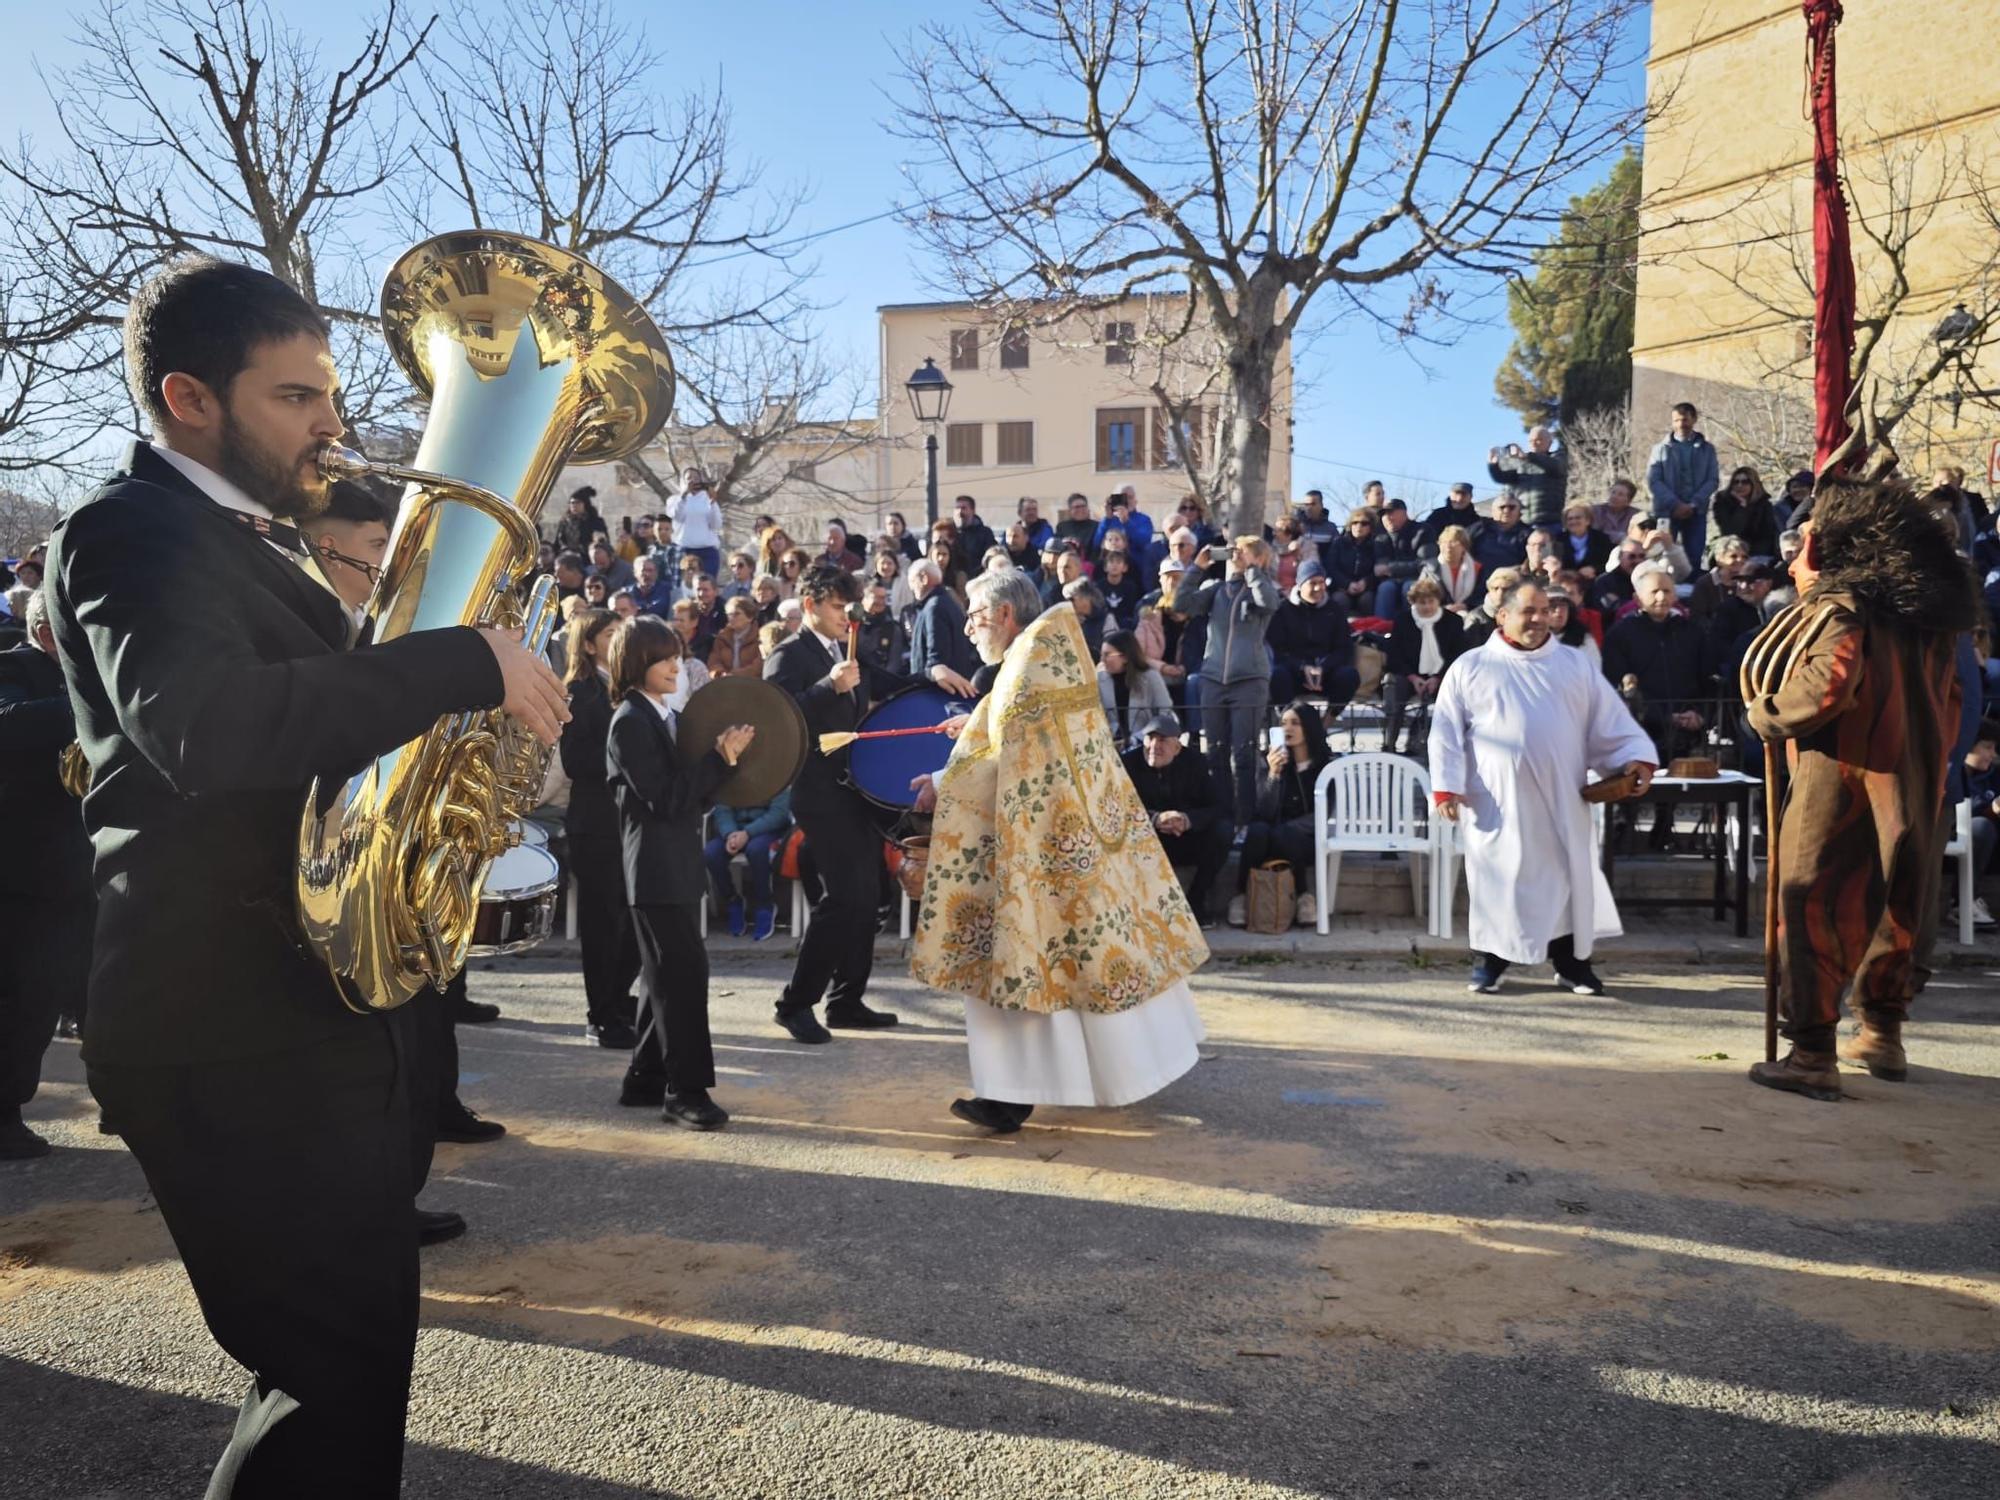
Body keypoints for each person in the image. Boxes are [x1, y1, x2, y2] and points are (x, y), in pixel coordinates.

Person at [46, 256, 569, 1495]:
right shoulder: (125, 531)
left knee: (349, 1373)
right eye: (294, 397)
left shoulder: (255, 544)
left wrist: (477, 739)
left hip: (312, 1016)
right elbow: (209, 730)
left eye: (326, 393)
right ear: (188, 398)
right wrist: (457, 662)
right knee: (324, 1381)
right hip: (223, 1028)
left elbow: (335, 753)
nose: (333, 424)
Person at [910, 568, 1208, 1134]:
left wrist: (940, 781)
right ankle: (1117, 1072)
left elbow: (1004, 757)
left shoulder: (1026, 669)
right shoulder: (1041, 657)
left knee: (1026, 969)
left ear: (1003, 614)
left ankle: (1010, 1095)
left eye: (974, 617)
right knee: (1085, 967)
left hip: (1038, 856)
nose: (969, 630)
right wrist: (975, 722)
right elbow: (1008, 736)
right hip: (1059, 845)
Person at [1744, 481, 1977, 1102]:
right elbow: (1952, 704)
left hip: (1843, 782)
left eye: (1805, 544)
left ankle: (1812, 1055)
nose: (1795, 558)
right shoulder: (1929, 620)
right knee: (1902, 906)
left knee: (1817, 900)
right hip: (1917, 780)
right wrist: (1924, 754)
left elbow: (1828, 687)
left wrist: (1765, 715)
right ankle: (1882, 1033)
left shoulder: (1843, 605)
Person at [1431, 578, 1658, 996]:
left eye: (1544, 611)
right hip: (1495, 803)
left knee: (1566, 882)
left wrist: (1634, 757)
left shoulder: (1574, 665)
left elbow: (1609, 722)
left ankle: (1572, 965)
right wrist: (1447, 787)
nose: (1538, 619)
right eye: (1527, 611)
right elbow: (1444, 732)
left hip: (1563, 798)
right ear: (1502, 616)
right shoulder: (1472, 666)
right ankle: (1490, 963)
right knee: (1498, 882)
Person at [606, 616, 752, 1129]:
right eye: (664, 657)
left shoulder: (660, 715)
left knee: (663, 977)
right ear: (636, 662)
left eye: (677, 655)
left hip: (674, 866)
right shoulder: (629, 720)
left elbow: (692, 793)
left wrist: (723, 759)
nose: (676, 665)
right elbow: (666, 799)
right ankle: (685, 1091)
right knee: (682, 978)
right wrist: (717, 760)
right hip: (654, 871)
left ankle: (644, 1078)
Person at [764, 563, 899, 1043]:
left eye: (848, 606)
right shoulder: (788, 655)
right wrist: (827, 688)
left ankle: (846, 1000)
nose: (848, 616)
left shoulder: (846, 649)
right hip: (818, 795)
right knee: (843, 898)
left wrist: (936, 675)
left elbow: (883, 681)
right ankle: (795, 1003)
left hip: (853, 790)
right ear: (810, 606)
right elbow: (776, 719)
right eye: (838, 607)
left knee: (869, 898)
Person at [0, 587, 94, 1159]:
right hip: (29, 875)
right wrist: (87, 700)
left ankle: (128, 1103)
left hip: (93, 870)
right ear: (46, 632)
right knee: (24, 1000)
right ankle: (3, 1117)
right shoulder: (13, 667)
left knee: (106, 999)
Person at [559, 607, 641, 1050]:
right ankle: (601, 1013)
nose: (619, 638)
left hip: (629, 820)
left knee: (632, 918)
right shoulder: (579, 691)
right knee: (602, 923)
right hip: (595, 823)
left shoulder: (629, 686)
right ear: (589, 644)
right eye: (610, 633)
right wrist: (624, 760)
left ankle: (618, 996)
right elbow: (574, 762)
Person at [1174, 536, 1282, 824]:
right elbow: (1181, 604)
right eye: (1233, 552)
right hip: (1213, 680)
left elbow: (1268, 603)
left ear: (1258, 559)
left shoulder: (1262, 587)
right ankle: (1223, 818)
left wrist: (1251, 570)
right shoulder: (1216, 590)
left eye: (1242, 552)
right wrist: (1196, 569)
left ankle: (1244, 821)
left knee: (1244, 755)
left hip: (1249, 680)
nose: (1235, 556)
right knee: (1216, 753)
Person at [1228, 700, 1334, 929]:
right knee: (1257, 831)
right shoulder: (1271, 762)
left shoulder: (1324, 767)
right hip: (1269, 836)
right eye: (1284, 723)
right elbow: (1263, 810)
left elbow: (1320, 816)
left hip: (1303, 839)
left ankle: (1305, 896)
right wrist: (1274, 775)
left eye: (1295, 723)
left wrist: (1285, 830)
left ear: (1309, 727)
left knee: (1287, 834)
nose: (1288, 729)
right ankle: (1241, 896)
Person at [1119, 713, 1231, 927]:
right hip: (1148, 839)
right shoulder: (1128, 763)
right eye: (1150, 739)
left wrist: (1187, 820)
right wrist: (1154, 819)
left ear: (1177, 747)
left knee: (1223, 831)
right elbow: (1118, 806)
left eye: (1162, 740)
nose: (1154, 746)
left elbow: (1217, 807)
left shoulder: (1195, 762)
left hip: (1185, 837)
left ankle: (1196, 901)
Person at [1381, 577, 1467, 756]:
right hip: (1410, 674)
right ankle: (1390, 742)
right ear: (1414, 602)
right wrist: (1413, 677)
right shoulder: (1403, 620)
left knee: (1453, 690)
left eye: (1431, 601)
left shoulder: (1453, 622)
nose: (1427, 607)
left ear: (1438, 601)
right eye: (1422, 602)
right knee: (1395, 685)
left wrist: (1438, 677)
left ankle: (1432, 742)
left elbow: (1458, 655)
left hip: (1442, 675)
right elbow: (1395, 655)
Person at [1268, 558, 1361, 710]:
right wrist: (1301, 667)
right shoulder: (1283, 610)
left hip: (1325, 672)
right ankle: (1286, 723)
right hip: (1294, 672)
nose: (1318, 588)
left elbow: (1343, 648)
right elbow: (1276, 649)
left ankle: (1325, 724)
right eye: (1312, 583)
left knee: (1349, 675)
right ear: (1300, 585)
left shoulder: (1334, 610)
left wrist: (1323, 667)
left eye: (1322, 582)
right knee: (1277, 675)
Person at [704, 785, 793, 941]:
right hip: (734, 831)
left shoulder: (779, 772)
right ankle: (732, 900)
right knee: (711, 853)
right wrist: (730, 834)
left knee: (757, 850)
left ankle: (765, 904)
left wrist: (748, 833)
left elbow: (779, 813)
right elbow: (722, 808)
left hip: (766, 831)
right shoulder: (732, 772)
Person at [1645, 401, 1720, 565]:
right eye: (1676, 420)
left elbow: (1712, 480)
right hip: (1666, 511)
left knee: (1694, 557)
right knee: (1661, 556)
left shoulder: (1707, 450)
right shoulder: (1660, 449)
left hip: (1696, 512)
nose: (1680, 424)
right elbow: (1654, 481)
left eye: (1684, 420)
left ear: (1693, 419)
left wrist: (1692, 504)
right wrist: (1675, 504)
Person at [908, 557, 980, 697]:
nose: (911, 588)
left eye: (912, 582)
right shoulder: (944, 603)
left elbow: (937, 660)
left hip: (939, 693)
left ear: (923, 578)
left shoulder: (934, 608)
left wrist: (930, 676)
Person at [1097, 629, 1173, 749]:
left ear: (1125, 657)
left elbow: (1165, 713)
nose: (1102, 660)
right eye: (1102, 655)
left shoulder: (1150, 677)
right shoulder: (1100, 679)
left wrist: (1137, 739)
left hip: (1144, 744)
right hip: (1110, 745)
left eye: (1107, 655)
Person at [1487, 425, 1569, 527]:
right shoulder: (1522, 464)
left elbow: (1556, 467)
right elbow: (1501, 478)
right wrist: (1493, 465)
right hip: (1523, 522)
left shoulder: (1558, 457)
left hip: (1550, 521)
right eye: (1531, 441)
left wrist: (1529, 456)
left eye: (1538, 440)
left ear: (1550, 442)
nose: (1534, 444)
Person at [1709, 466, 1780, 563]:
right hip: (1732, 550)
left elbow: (1766, 534)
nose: (1740, 485)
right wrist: (1742, 508)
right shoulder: (1722, 503)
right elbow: (1730, 532)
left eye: (1745, 482)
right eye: (1736, 482)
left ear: (1753, 484)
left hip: (1759, 553)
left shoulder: (1764, 504)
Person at [1370, 499, 1425, 620]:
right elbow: (1379, 566)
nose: (1387, 517)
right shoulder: (1380, 536)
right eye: (1383, 514)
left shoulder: (1422, 531)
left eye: (1391, 512)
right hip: (1389, 581)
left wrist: (1391, 568)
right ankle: (1381, 631)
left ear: (1404, 513)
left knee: (1409, 588)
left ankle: (1412, 628)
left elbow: (1424, 563)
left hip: (1416, 579)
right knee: (1385, 588)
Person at [669, 467, 724, 579]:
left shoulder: (707, 499)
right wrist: (683, 496)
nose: (693, 481)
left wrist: (712, 502)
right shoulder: (674, 500)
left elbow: (716, 525)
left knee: (707, 583)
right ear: (683, 481)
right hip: (684, 550)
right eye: (689, 478)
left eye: (696, 478)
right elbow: (677, 516)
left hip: (707, 551)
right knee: (684, 585)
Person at [1327, 508, 1379, 614]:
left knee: (1368, 600)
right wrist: (1347, 584)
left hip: (1366, 588)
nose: (1359, 526)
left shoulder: (1376, 545)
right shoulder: (1339, 543)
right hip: (1341, 588)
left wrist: (1365, 582)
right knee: (1339, 600)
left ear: (1371, 526)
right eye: (1355, 523)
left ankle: (1369, 630)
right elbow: (1330, 567)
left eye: (1364, 523)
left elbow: (1378, 569)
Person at [1422, 524, 1481, 612]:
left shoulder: (1478, 569)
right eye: (1444, 542)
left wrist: (1466, 606)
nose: (1448, 547)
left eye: (1454, 542)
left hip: (1469, 613)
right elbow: (1421, 597)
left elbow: (1481, 598)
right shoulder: (1431, 569)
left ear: (1464, 546)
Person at [1471, 495, 1530, 571]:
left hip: (1513, 579)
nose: (1506, 511)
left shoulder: (1529, 535)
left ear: (1519, 512)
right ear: (1493, 511)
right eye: (1502, 507)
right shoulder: (1477, 529)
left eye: (1511, 507)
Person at [951, 495, 998, 573]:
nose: (960, 512)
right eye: (957, 508)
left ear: (973, 510)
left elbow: (991, 556)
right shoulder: (949, 532)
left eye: (964, 508)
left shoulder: (985, 533)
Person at [555, 485, 607, 554]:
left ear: (585, 504)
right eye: (572, 503)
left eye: (578, 502)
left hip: (588, 558)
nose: (574, 505)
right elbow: (558, 543)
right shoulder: (564, 522)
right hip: (565, 557)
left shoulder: (596, 521)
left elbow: (602, 543)